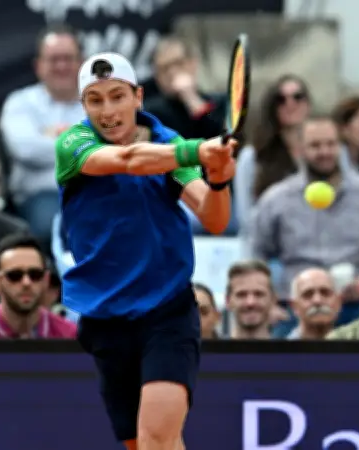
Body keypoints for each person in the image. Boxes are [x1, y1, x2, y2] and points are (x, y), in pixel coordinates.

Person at [54, 52, 235, 450]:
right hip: (105, 316)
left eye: (117, 96)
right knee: (151, 445)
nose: (108, 110)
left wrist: (219, 181)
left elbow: (214, 217)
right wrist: (198, 151)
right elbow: (127, 159)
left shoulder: (168, 144)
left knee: (157, 439)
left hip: (167, 312)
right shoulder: (73, 143)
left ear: (137, 97)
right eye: (95, 100)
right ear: (83, 106)